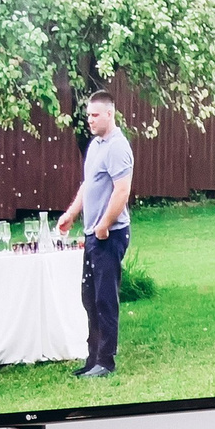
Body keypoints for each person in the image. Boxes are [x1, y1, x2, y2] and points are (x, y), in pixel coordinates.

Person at [56, 93, 133, 378]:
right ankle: (92, 359)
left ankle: (106, 361)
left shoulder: (117, 147)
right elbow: (89, 186)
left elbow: (122, 190)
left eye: (96, 115)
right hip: (93, 234)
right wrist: (72, 213)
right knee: (89, 298)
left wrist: (103, 225)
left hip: (110, 235)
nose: (90, 120)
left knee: (104, 298)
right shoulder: (96, 146)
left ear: (110, 114)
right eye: (88, 115)